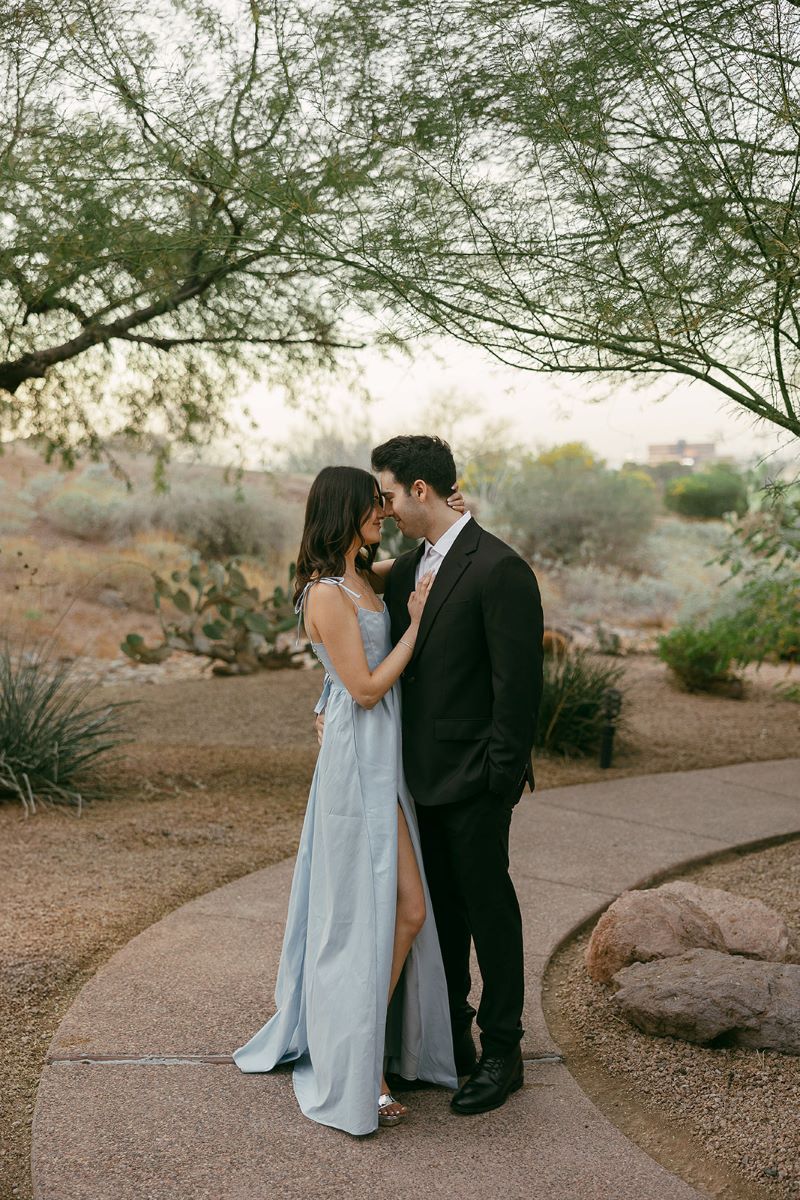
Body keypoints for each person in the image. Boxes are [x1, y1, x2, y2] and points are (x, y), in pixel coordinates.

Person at [232, 465, 465, 1136]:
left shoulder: (366, 577)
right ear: (342, 509)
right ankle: (359, 1062)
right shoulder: (326, 594)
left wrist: (443, 511)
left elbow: (423, 551)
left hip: (377, 755)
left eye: (384, 504)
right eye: (372, 506)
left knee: (401, 911)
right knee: (390, 911)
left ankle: (364, 1048)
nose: (382, 515)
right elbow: (362, 688)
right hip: (357, 759)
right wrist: (416, 628)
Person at [318, 435, 544, 1116]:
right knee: (440, 918)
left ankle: (503, 1051)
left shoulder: (501, 569)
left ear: (420, 491)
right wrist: (326, 699)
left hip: (474, 779)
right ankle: (450, 1043)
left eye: (386, 495)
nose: (381, 509)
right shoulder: (413, 560)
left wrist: (497, 780)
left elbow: (520, 693)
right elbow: (344, 597)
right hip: (411, 776)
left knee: (488, 911)